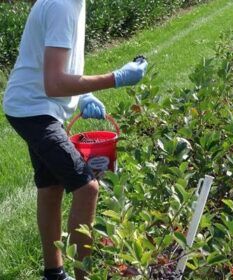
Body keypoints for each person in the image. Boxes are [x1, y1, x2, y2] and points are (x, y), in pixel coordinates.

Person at [2, 0, 148, 279]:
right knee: (87, 188)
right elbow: (54, 83)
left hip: (39, 106)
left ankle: (53, 274)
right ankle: (83, 276)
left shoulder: (73, 3)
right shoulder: (62, 6)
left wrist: (82, 95)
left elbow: (59, 67)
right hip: (34, 110)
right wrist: (115, 78)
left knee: (51, 187)